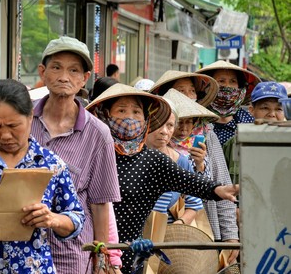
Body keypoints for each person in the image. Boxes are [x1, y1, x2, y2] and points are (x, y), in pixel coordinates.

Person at [86, 83, 239, 274]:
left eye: (136, 112)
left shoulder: (152, 161)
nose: (130, 118)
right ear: (106, 115)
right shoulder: (93, 153)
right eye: (121, 110)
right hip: (88, 252)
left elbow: (188, 181)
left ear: (146, 119)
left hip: (131, 256)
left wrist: (218, 190)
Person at [30, 36, 122, 274]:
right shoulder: (24, 121)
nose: (64, 77)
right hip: (22, 247)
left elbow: (100, 203)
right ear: (43, 72)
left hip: (71, 253)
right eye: (56, 67)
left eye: (73, 70)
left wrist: (101, 259)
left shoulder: (98, 133)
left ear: (84, 78)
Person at [0, 79, 85, 273]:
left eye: (13, 125)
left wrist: (52, 219)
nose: (5, 135)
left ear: (31, 117)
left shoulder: (51, 164)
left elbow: (76, 218)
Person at [147, 97, 205, 226]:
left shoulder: (180, 162)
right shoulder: (130, 157)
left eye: (170, 125)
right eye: (158, 124)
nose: (164, 132)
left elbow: (194, 202)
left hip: (165, 236)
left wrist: (179, 224)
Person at [223, 81, 288, 184]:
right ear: (251, 110)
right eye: (265, 108)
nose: (272, 114)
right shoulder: (234, 144)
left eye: (278, 109)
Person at [196, 61, 261, 146]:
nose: (227, 86)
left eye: (233, 81)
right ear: (208, 85)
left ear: (240, 86)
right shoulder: (197, 119)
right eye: (221, 81)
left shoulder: (248, 121)